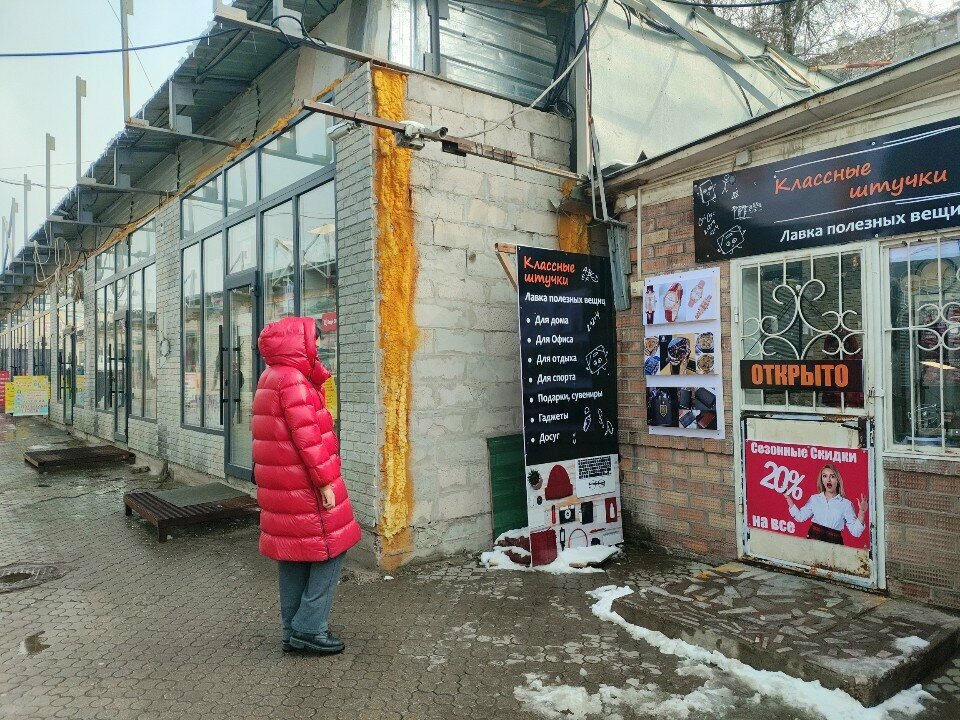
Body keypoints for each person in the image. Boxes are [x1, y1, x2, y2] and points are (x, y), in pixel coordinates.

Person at [252, 316, 361, 655]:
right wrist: (325, 482)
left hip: (281, 486)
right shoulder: (294, 381)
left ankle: (291, 631)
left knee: (292, 554)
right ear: (299, 343)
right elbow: (309, 439)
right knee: (333, 549)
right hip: (304, 485)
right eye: (315, 338)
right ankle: (310, 629)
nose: (319, 344)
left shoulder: (271, 376)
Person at [784, 463, 867, 545]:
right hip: (813, 540)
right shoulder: (814, 499)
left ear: (837, 480)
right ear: (822, 480)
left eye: (832, 476)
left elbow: (856, 532)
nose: (828, 480)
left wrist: (862, 513)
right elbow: (800, 517)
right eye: (825, 476)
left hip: (834, 544)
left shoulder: (846, 504)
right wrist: (788, 497)